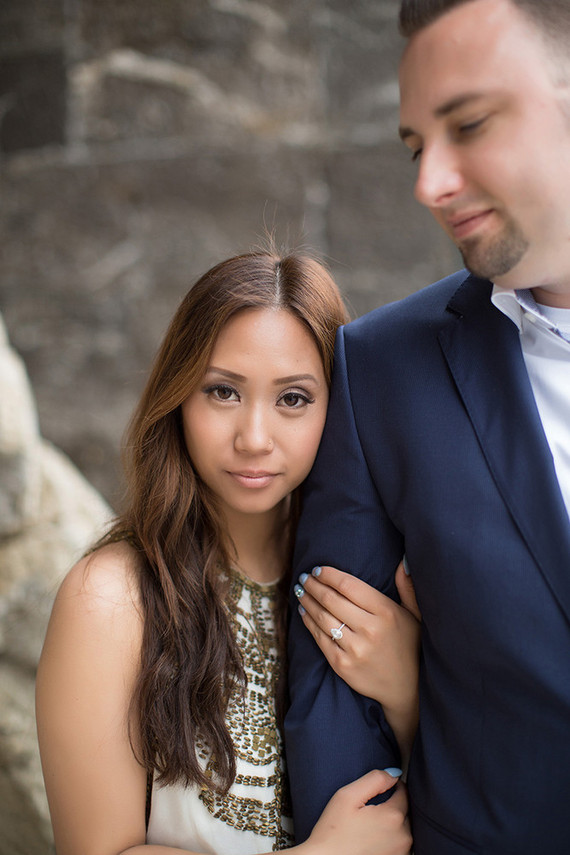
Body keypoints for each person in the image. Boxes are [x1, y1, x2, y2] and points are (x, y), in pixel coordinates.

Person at [285, 1, 570, 853]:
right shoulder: (380, 369)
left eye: (469, 124)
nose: (428, 183)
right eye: (416, 146)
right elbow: (334, 695)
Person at [35, 251, 414, 855]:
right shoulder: (110, 600)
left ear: (338, 407)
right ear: (178, 397)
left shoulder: (368, 581)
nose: (254, 439)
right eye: (223, 392)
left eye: (293, 398)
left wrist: (409, 694)